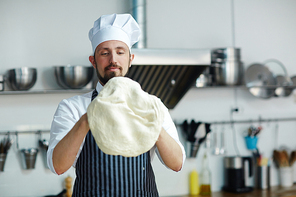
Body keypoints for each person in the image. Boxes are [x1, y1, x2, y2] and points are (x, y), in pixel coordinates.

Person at [47, 13, 186, 197]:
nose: (113, 59)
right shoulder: (72, 107)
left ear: (130, 58)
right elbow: (57, 166)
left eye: (120, 52)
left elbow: (176, 164)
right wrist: (88, 118)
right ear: (93, 60)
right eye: (104, 53)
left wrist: (151, 120)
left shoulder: (153, 105)